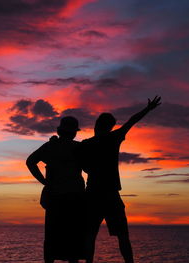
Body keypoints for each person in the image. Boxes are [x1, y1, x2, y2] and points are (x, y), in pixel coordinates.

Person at [80, 96, 161, 263]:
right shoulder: (112, 138)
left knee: (90, 236)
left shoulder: (86, 144)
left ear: (96, 125)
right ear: (109, 127)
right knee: (123, 236)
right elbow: (131, 121)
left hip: (93, 194)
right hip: (110, 195)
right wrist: (148, 109)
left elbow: (83, 167)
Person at [26, 116, 86, 263]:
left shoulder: (51, 146)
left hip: (55, 198)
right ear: (74, 133)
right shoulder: (78, 148)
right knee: (74, 238)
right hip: (74, 198)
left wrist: (44, 182)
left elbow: (30, 162)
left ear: (60, 131)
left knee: (52, 237)